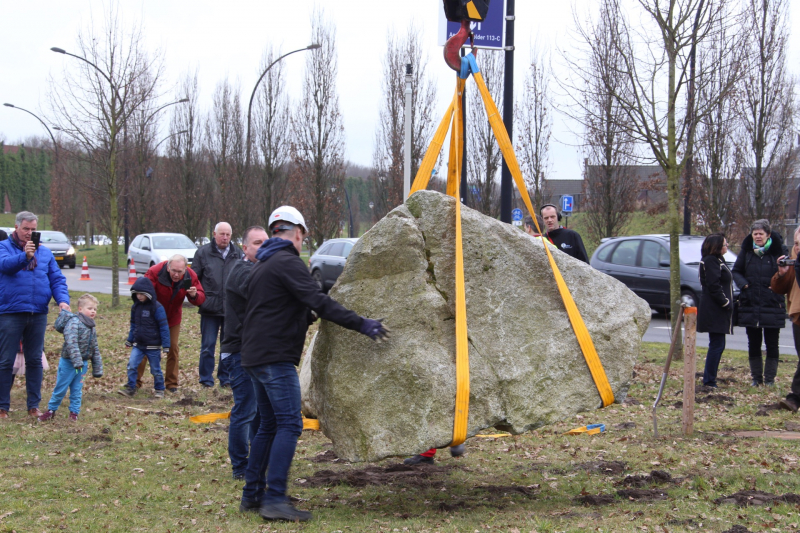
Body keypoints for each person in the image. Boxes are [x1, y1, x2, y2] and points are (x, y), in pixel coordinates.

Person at [239, 206, 389, 522]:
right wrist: (362, 324)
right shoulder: (288, 263)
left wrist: (302, 316)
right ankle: (275, 499)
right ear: (297, 233)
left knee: (268, 425)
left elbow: (271, 309)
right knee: (290, 424)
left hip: (253, 356)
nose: (302, 242)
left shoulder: (262, 266)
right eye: (303, 237)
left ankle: (253, 494)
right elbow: (319, 301)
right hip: (273, 358)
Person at [0, 211, 70, 419]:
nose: (29, 233)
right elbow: (6, 266)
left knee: (34, 360)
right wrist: (26, 256)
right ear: (16, 228)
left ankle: (33, 406)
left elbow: (56, 279)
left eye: (33, 229)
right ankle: (2, 407)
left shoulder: (45, 253)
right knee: (5, 361)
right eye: (26, 229)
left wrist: (63, 301)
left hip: (38, 312)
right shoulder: (3, 248)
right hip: (10, 312)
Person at [221, 225, 267, 480]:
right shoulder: (241, 271)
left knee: (260, 409)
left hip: (255, 352)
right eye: (258, 243)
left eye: (266, 242)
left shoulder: (260, 270)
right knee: (246, 409)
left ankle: (257, 460)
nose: (263, 247)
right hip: (238, 352)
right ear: (245, 248)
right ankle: (240, 466)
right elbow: (262, 291)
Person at [136, 255, 205, 393]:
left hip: (173, 318)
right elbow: (143, 291)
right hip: (152, 317)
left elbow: (200, 297)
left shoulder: (188, 277)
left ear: (185, 269)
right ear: (168, 267)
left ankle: (171, 384)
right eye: (173, 270)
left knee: (173, 348)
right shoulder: (155, 272)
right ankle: (134, 382)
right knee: (144, 348)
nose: (176, 274)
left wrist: (193, 295)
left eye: (180, 272)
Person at [732, 219, 786, 387]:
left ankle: (769, 379)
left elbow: (786, 273)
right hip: (751, 303)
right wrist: (744, 285)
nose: (757, 237)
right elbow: (736, 271)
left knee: (772, 343)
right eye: (755, 234)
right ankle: (756, 378)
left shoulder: (778, 252)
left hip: (772, 302)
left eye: (761, 234)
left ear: (768, 235)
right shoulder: (747, 252)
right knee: (753, 343)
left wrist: (777, 283)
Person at [192, 222, 242, 388]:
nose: (225, 237)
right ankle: (206, 379)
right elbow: (194, 279)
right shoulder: (202, 253)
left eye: (228, 234)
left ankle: (225, 378)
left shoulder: (238, 254)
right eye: (222, 234)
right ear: (214, 234)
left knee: (227, 347)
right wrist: (199, 298)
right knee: (207, 346)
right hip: (209, 308)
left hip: (230, 310)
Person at [39, 294, 103, 421]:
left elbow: (94, 346)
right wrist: (77, 361)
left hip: (81, 365)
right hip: (69, 363)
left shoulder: (91, 326)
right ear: (80, 309)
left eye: (95, 309)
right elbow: (71, 343)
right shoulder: (74, 323)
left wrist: (97, 367)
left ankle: (74, 413)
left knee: (77, 389)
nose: (93, 311)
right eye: (90, 308)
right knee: (61, 388)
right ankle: (51, 410)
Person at [119, 278, 172, 398]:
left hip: (153, 346)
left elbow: (164, 327)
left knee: (155, 370)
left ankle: (159, 389)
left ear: (148, 293)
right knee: (132, 365)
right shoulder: (135, 307)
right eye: (137, 293)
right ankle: (131, 387)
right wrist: (130, 339)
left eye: (142, 294)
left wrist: (166, 345)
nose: (139, 296)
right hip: (138, 345)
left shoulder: (157, 308)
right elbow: (134, 325)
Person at [697, 234, 733, 388]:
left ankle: (711, 378)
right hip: (715, 309)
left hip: (718, 309)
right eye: (725, 244)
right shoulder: (711, 261)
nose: (727, 246)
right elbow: (713, 285)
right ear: (717, 246)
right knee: (716, 345)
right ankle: (709, 380)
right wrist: (725, 302)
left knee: (719, 344)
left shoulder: (718, 260)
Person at [771, 226, 800, 412]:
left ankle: (794, 398)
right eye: (796, 243)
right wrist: (781, 274)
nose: (797, 247)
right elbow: (779, 288)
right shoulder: (794, 264)